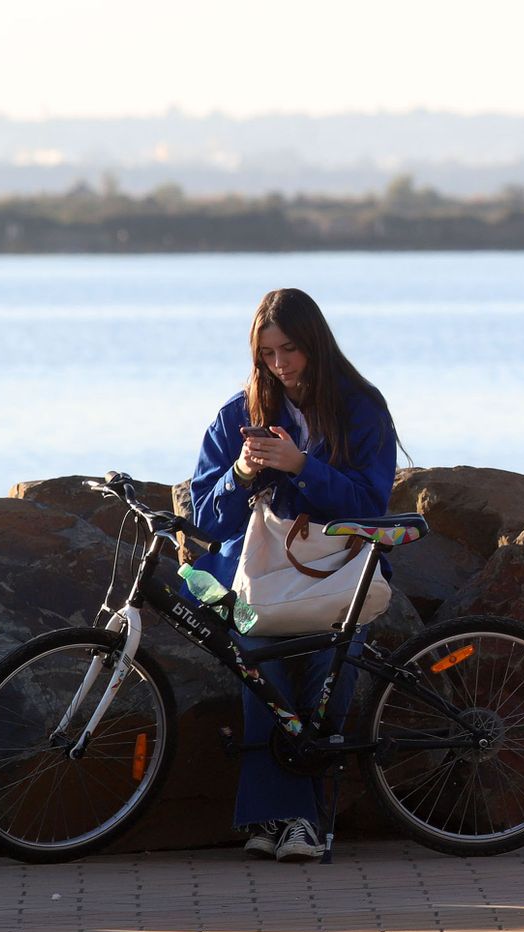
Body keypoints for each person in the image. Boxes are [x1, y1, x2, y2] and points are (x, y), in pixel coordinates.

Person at [189, 287, 400, 861]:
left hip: (339, 573)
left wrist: (303, 468)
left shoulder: (360, 406)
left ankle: (293, 820)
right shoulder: (240, 412)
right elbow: (205, 518)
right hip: (258, 578)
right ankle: (288, 819)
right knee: (260, 665)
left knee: (330, 672)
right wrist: (240, 471)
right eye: (267, 354)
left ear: (315, 344)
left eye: (290, 350)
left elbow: (370, 504)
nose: (280, 365)